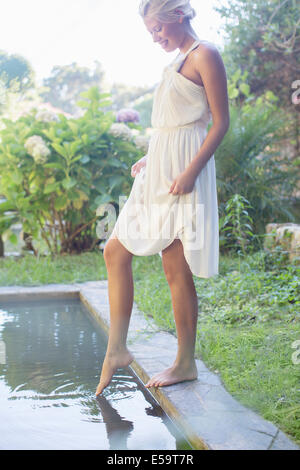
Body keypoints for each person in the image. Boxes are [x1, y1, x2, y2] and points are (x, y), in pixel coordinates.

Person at [96, 0, 229, 396]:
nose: (156, 38)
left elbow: (219, 123)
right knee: (115, 251)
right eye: (150, 33)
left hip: (185, 172)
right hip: (160, 167)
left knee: (175, 265)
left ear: (178, 15)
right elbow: (173, 126)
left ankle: (184, 362)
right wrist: (151, 155)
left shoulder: (205, 55)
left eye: (158, 29)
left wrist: (190, 172)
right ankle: (117, 348)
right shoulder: (171, 64)